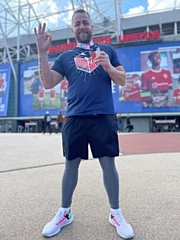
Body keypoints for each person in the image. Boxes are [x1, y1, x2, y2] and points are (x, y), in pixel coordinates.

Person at [34, 9, 134, 239]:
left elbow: (123, 79)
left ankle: (116, 213)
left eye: (85, 22)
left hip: (103, 116)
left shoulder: (107, 51)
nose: (82, 26)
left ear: (92, 27)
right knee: (70, 166)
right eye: (77, 23)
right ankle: (65, 212)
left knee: (109, 165)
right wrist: (42, 53)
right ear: (73, 29)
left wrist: (108, 67)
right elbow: (48, 83)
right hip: (75, 117)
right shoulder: (65, 57)